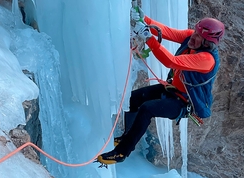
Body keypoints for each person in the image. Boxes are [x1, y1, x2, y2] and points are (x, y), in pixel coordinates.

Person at [95, 9, 225, 165]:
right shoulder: (192, 38)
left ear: (207, 43)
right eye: (195, 32)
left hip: (182, 103)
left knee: (147, 109)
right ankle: (126, 136)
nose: (193, 37)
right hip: (171, 89)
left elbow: (171, 61)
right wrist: (145, 20)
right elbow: (168, 32)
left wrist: (149, 39)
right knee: (131, 100)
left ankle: (121, 152)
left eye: (199, 37)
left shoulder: (206, 60)